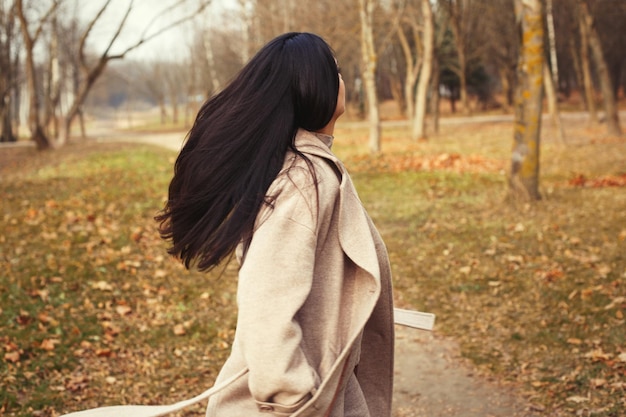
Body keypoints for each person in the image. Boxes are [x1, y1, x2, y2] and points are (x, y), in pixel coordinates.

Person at [156, 32, 394, 417]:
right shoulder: (304, 179)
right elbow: (264, 301)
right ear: (313, 85)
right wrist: (294, 399)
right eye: (335, 70)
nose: (343, 79)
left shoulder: (306, 168)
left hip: (324, 387)